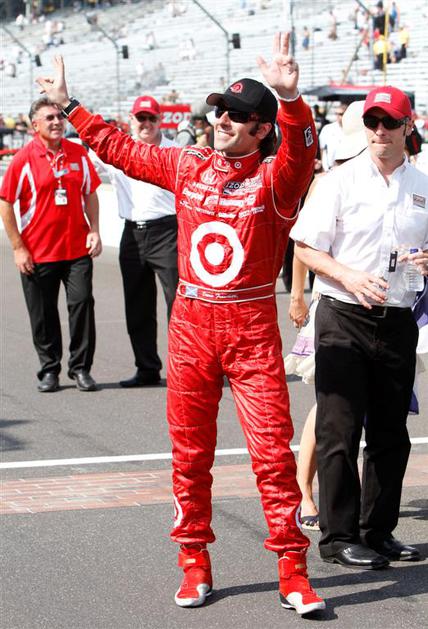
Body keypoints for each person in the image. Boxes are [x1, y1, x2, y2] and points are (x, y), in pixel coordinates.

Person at [37, 33, 325, 616]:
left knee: (272, 455)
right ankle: (194, 561)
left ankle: (292, 571)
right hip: (191, 326)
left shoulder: (276, 179)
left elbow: (303, 152)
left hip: (250, 329)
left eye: (237, 115)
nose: (222, 120)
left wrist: (292, 101)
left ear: (261, 129)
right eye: (220, 110)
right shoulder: (188, 163)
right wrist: (70, 105)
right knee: (190, 455)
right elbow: (119, 148)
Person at [290, 85, 428, 569]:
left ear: (408, 126)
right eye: (373, 121)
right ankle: (339, 537)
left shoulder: (423, 184)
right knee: (339, 430)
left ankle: (378, 531)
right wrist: (347, 275)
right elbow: (305, 247)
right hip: (343, 314)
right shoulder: (339, 181)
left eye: (390, 122)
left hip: (398, 317)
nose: (380, 130)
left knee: (391, 434)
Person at [286, 100, 369, 532]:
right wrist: (297, 295)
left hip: (380, 310)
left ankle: (353, 499)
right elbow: (304, 246)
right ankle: (304, 491)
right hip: (333, 304)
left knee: (365, 408)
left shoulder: (394, 178)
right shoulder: (329, 180)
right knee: (328, 404)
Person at [0, 96, 102, 392]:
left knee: (82, 305)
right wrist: (18, 247)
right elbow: (6, 203)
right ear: (35, 125)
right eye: (49, 118)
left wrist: (95, 229)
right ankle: (49, 369)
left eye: (59, 117)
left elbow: (90, 193)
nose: (57, 122)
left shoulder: (78, 153)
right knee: (43, 314)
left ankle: (80, 368)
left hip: (77, 250)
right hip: (37, 253)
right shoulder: (23, 159)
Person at [90, 95, 179, 387]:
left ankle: (185, 371)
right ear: (131, 119)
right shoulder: (118, 150)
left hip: (168, 231)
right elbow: (84, 164)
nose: (146, 124)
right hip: (132, 233)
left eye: (152, 118)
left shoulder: (174, 151)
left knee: (178, 306)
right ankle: (146, 367)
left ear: (160, 120)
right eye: (141, 118)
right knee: (137, 306)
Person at [318, 102, 347, 171]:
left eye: (341, 114)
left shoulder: (352, 130)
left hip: (345, 169)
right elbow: (322, 149)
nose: (338, 116)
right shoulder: (327, 128)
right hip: (329, 169)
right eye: (336, 114)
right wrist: (323, 168)